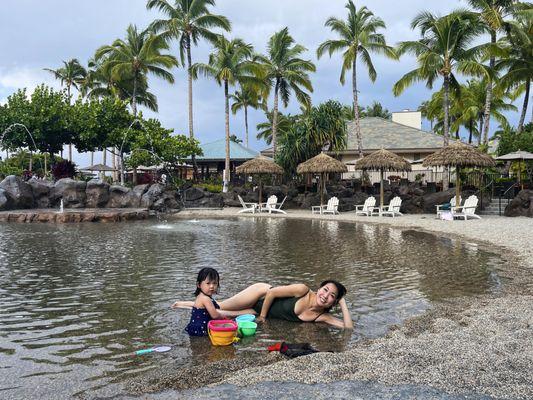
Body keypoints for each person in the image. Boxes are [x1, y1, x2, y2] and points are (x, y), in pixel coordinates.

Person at [175, 280, 353, 330]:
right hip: (260, 295)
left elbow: (348, 328)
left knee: (222, 313)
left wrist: (343, 301)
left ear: (333, 302)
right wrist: (262, 317)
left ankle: (190, 306)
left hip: (255, 310)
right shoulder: (303, 290)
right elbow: (272, 293)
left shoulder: (321, 316)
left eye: (332, 296)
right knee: (219, 304)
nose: (325, 295)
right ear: (319, 288)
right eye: (325, 289)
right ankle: (189, 302)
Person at [176, 267, 225, 336]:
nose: (212, 286)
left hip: (194, 328)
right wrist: (224, 317)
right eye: (208, 283)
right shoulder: (205, 299)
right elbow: (215, 315)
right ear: (198, 285)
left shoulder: (200, 296)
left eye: (215, 283)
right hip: (201, 330)